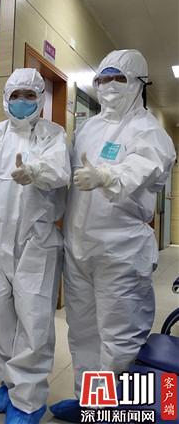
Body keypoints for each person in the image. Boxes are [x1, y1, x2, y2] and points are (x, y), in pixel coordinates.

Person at [50, 49, 176, 422]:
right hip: (79, 246)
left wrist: (108, 175)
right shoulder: (88, 128)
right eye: (102, 79)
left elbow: (149, 164)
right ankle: (90, 403)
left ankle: (114, 412)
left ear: (138, 83)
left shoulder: (148, 129)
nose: (107, 86)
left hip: (120, 250)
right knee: (83, 332)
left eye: (117, 79)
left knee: (119, 337)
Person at [0, 68, 70, 424]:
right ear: (5, 98)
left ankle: (29, 398)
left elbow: (60, 172)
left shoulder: (53, 134)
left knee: (34, 318)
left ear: (40, 99)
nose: (22, 101)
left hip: (37, 240)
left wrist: (35, 173)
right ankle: (7, 382)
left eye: (29, 95)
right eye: (15, 95)